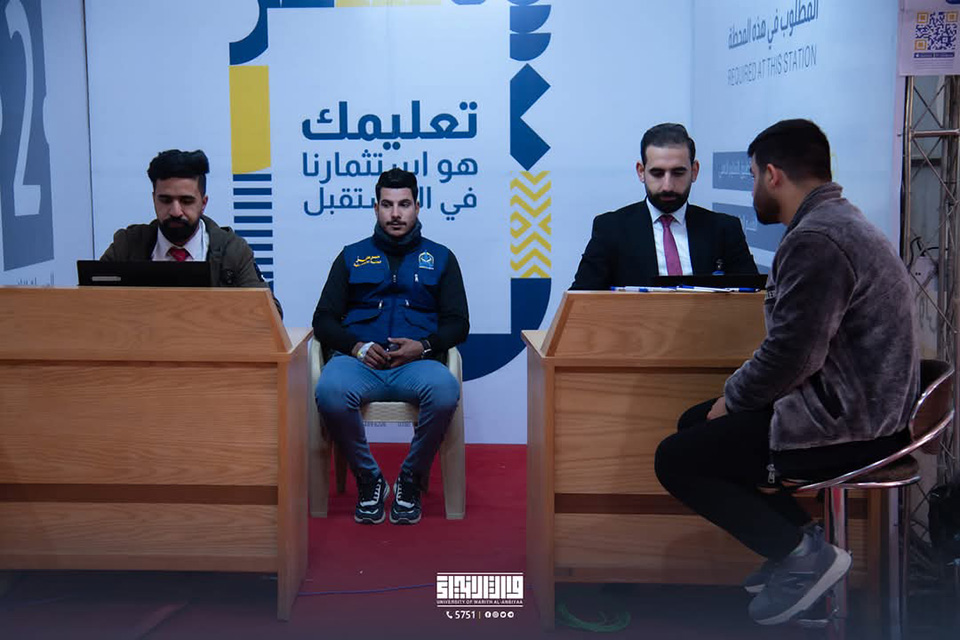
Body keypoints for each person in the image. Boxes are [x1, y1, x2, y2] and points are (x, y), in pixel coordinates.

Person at [654, 119, 919, 625]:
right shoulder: (837, 223)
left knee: (677, 458)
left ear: (773, 175)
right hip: (857, 408)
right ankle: (799, 544)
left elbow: (792, 356)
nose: (753, 188)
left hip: (850, 426)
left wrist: (731, 400)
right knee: (695, 426)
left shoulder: (817, 239)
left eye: (754, 176)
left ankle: (802, 556)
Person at [313, 168, 469, 525]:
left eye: (404, 204)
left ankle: (410, 479)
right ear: (376, 208)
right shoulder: (351, 256)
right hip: (359, 364)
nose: (395, 214)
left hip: (417, 365)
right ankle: (369, 478)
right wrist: (356, 347)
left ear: (417, 206)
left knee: (445, 390)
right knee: (330, 390)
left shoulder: (441, 258)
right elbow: (323, 319)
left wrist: (424, 346)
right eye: (387, 205)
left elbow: (459, 324)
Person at [571, 123, 757, 290]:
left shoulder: (724, 230)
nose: (667, 186)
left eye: (678, 173)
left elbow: (753, 300)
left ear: (694, 171)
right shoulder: (611, 229)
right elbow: (581, 301)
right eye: (657, 173)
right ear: (641, 171)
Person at [100, 149, 281, 316]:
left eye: (186, 201)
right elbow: (90, 305)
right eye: (165, 200)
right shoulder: (127, 246)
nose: (175, 211)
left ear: (203, 203)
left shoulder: (233, 251)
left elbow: (271, 315)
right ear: (153, 199)